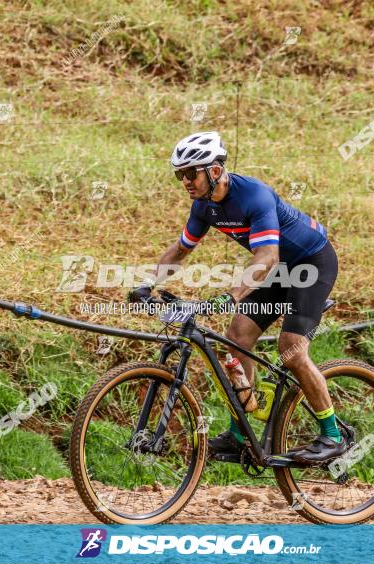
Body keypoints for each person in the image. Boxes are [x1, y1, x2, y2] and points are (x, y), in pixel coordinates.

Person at [128, 131, 346, 464]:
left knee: (291, 348)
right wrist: (147, 283)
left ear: (214, 171)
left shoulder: (254, 196)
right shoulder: (203, 207)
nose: (185, 181)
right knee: (237, 337)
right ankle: (240, 434)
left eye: (191, 173)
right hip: (277, 270)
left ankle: (333, 435)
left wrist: (233, 294)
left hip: (312, 263)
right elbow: (181, 249)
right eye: (179, 175)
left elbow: (267, 257)